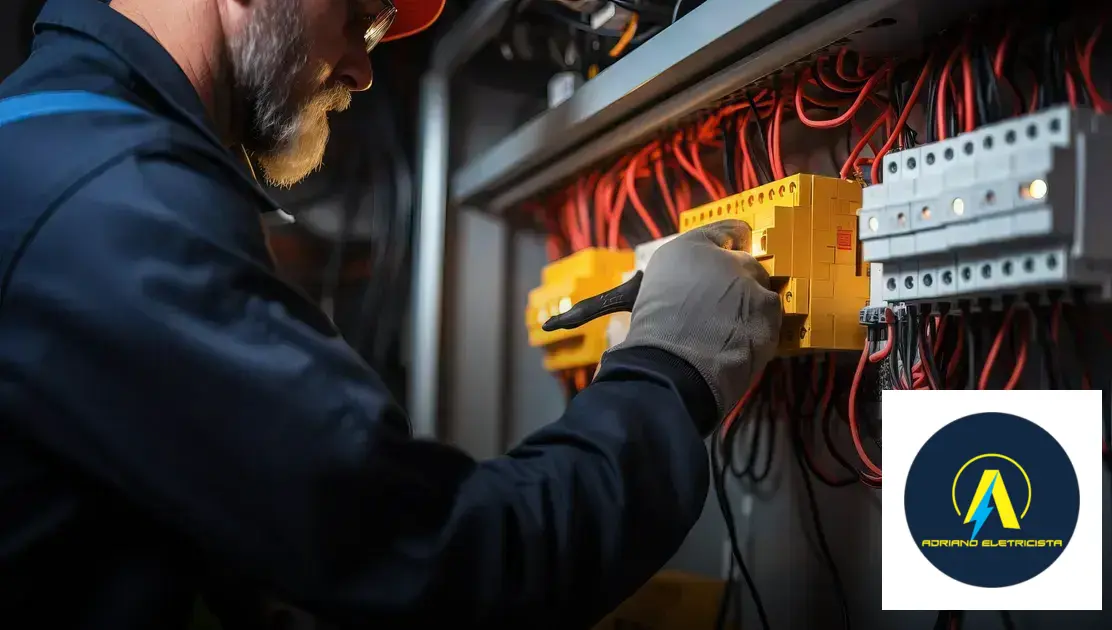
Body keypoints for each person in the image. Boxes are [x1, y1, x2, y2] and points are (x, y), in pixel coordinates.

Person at [0, 0, 782, 628]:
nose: (364, 68)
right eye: (361, 15)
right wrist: (666, 373)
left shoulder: (50, 138)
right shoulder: (118, 207)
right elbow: (447, 565)